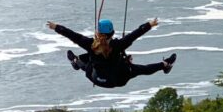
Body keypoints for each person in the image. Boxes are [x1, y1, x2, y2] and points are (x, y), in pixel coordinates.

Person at [46, 17, 176, 88]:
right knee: (141, 69)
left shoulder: (90, 44)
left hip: (96, 79)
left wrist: (56, 27)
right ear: (112, 33)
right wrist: (150, 24)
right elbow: (135, 34)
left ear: (98, 33)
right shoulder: (118, 45)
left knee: (89, 63)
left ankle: (75, 61)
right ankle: (165, 65)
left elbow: (72, 35)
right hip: (116, 81)